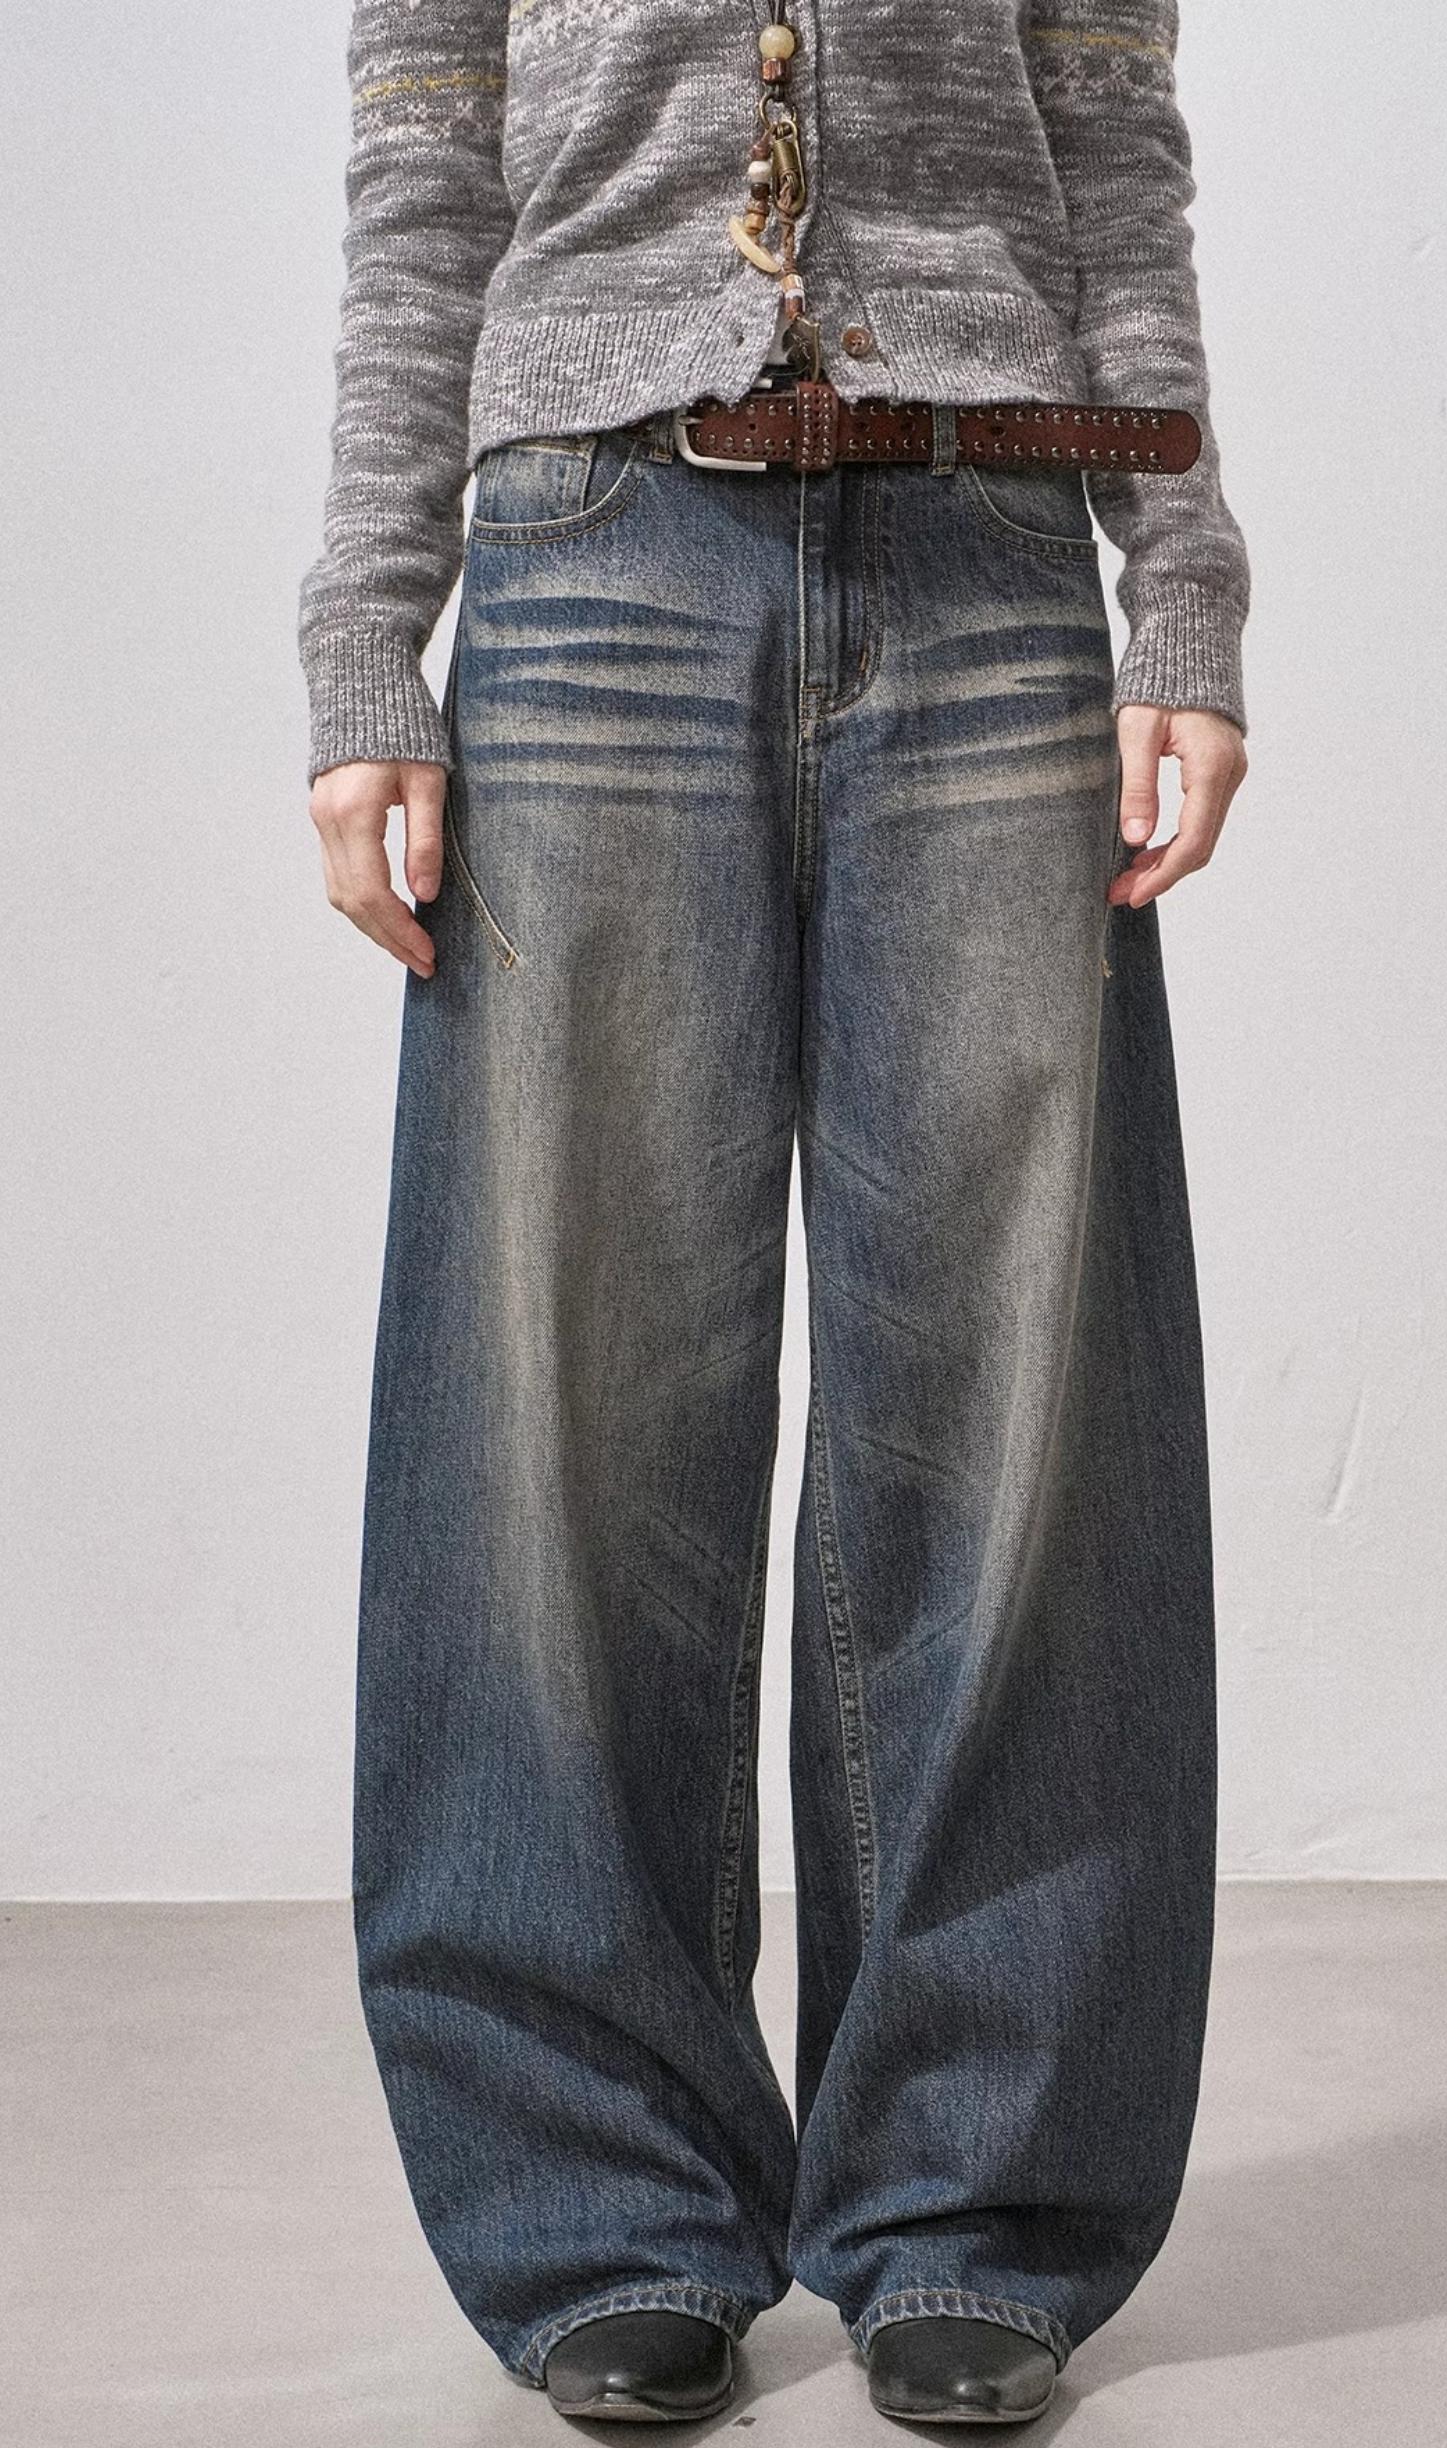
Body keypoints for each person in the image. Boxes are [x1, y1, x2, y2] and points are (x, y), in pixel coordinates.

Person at [298, 0, 1249, 2427]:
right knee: (567, 1409)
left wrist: (1183, 582)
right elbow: (426, 163)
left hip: (992, 552)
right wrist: (366, 642)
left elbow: (1113, 139)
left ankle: (976, 2199)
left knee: (1011, 1410)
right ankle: (598, 2203)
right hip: (587, 558)